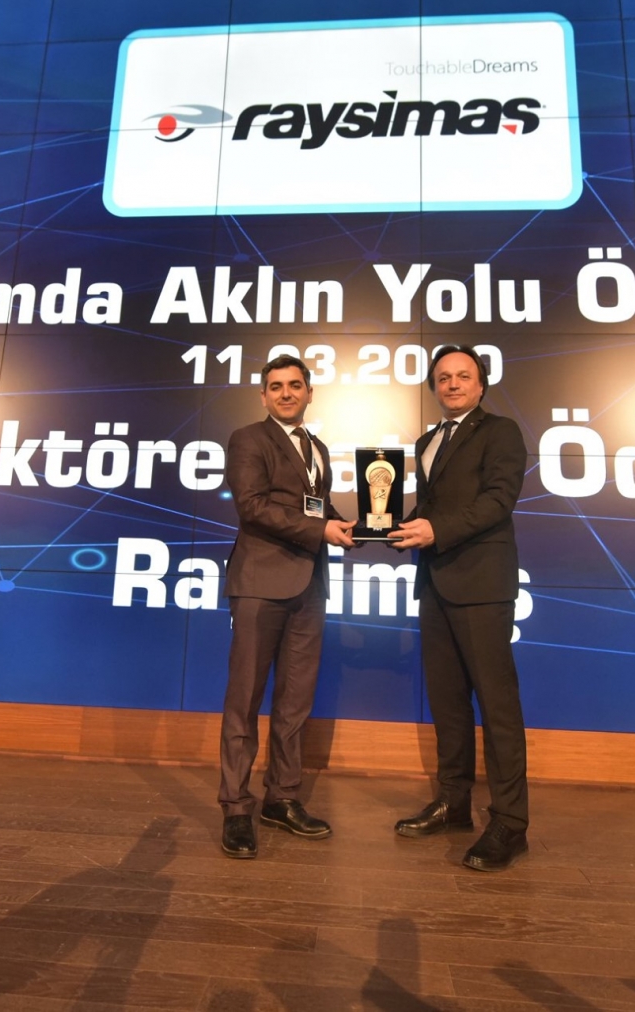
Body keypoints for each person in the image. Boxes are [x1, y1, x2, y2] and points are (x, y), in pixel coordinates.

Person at [387, 345, 530, 871]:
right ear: (433, 387)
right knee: (447, 704)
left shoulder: (501, 432)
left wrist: (434, 530)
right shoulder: (427, 441)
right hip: (436, 584)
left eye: (462, 376)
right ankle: (454, 803)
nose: (452, 384)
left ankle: (510, 822)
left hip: (483, 585)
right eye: (443, 377)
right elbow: (432, 509)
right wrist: (386, 528)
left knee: (497, 706)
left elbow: (498, 500)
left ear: (480, 384)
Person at [218, 354, 357, 859]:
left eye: (294, 385)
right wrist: (322, 530)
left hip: (309, 585)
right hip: (260, 583)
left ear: (309, 392)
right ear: (263, 395)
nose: (285, 393)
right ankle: (237, 808)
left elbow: (315, 509)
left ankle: (282, 798)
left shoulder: (316, 447)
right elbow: (252, 507)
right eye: (275, 386)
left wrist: (362, 527)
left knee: (295, 702)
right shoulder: (248, 439)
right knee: (245, 700)